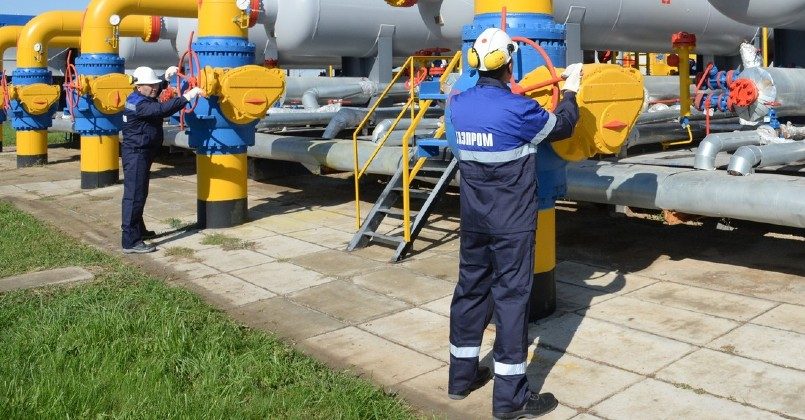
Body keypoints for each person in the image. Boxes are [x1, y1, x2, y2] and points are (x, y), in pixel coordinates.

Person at [447, 28, 582, 419]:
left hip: (474, 221)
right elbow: (562, 126)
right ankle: (510, 398)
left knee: (470, 291)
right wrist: (570, 91)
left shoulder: (458, 105)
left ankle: (461, 378)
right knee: (510, 299)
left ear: (475, 63)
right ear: (509, 63)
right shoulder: (519, 110)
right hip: (512, 225)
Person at [120, 66, 202, 253]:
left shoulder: (139, 97)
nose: (155, 88)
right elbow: (161, 109)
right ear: (139, 86)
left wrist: (165, 78)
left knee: (140, 193)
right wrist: (188, 97)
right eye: (151, 85)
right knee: (134, 196)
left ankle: (139, 231)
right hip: (137, 154)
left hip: (141, 152)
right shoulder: (140, 105)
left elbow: (154, 97)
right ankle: (130, 241)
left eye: (156, 84)